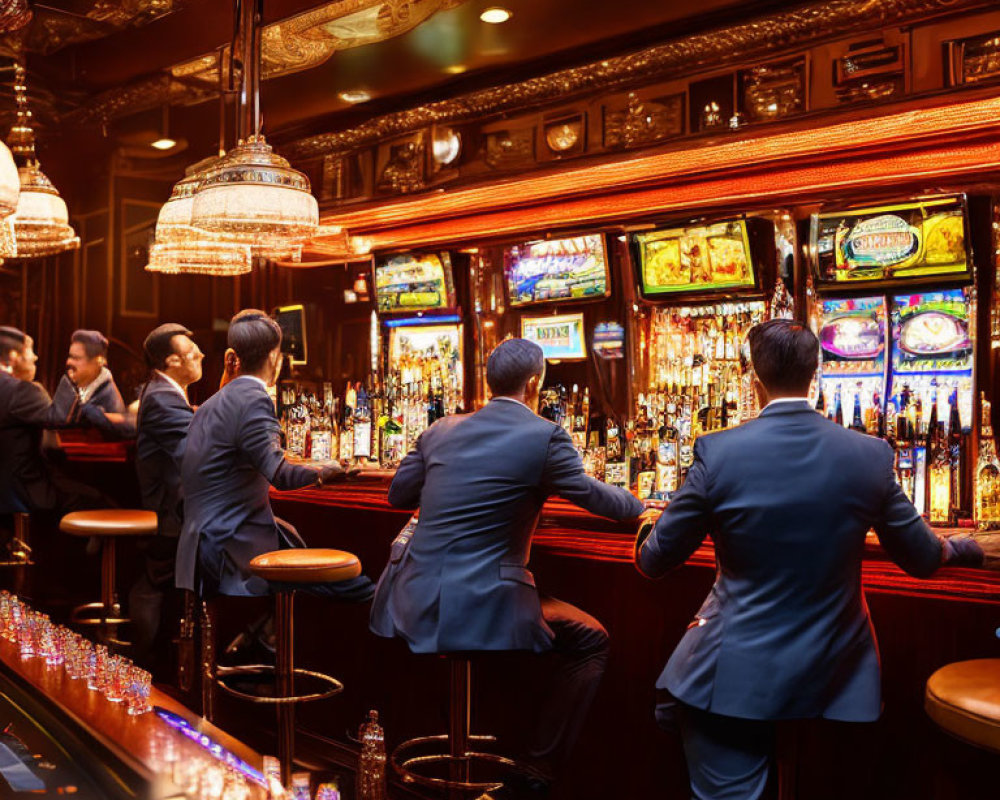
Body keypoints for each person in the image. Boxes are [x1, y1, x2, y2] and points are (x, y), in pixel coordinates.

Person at [635, 319, 984, 800]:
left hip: (733, 673)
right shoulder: (869, 455)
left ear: (754, 381)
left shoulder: (718, 453)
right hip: (839, 678)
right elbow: (923, 558)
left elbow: (654, 561)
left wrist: (647, 521)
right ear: (815, 376)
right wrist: (966, 547)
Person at [370, 338, 644, 793]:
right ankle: (535, 772)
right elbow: (594, 495)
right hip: (481, 603)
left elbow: (398, 494)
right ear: (534, 383)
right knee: (591, 639)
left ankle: (459, 750)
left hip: (411, 596)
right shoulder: (544, 435)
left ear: (488, 382)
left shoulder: (439, 429)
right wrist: (641, 510)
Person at [176, 310, 373, 602]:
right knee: (360, 587)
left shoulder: (211, 402)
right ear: (274, 358)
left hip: (199, 541)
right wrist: (326, 470)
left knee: (307, 556)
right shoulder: (254, 398)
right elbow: (280, 474)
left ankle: (273, 641)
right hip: (231, 548)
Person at [129, 323, 204, 669]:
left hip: (176, 512)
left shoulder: (163, 392)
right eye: (192, 353)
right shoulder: (162, 398)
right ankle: (163, 665)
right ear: (173, 361)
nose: (201, 355)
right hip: (171, 520)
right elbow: (198, 452)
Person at [0, 325, 103, 516]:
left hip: (6, 492)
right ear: (14, 356)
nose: (36, 358)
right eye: (31, 351)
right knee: (100, 502)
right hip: (22, 493)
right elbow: (66, 420)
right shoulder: (22, 391)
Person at [48, 329, 134, 437]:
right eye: (70, 356)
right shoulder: (69, 383)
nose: (68, 362)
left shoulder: (109, 397)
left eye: (76, 358)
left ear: (98, 361)